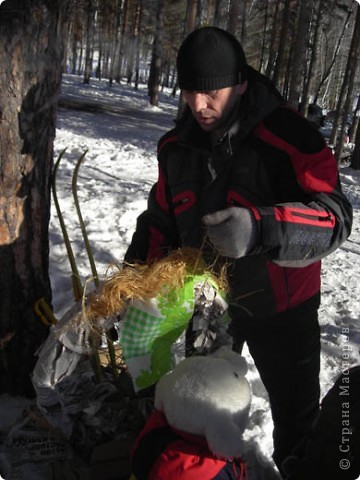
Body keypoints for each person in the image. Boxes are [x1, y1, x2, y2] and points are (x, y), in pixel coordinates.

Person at [124, 26, 353, 476]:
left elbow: (335, 217)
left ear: (242, 83)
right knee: (199, 415)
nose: (198, 105)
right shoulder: (177, 147)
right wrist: (136, 278)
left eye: (211, 93)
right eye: (189, 92)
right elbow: (161, 219)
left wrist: (261, 228)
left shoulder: (290, 136)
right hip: (209, 306)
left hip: (282, 309)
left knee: (298, 425)